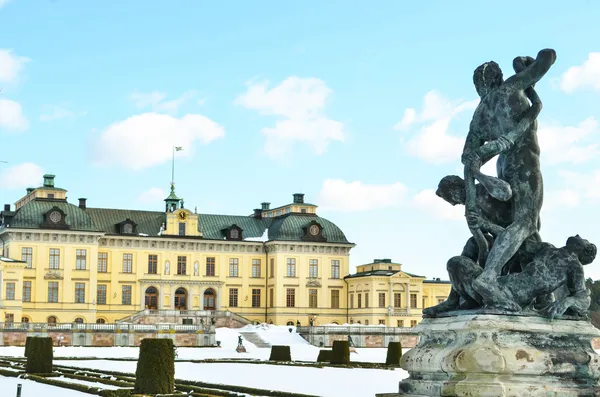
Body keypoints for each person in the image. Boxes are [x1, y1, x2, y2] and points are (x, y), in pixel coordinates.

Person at [462, 49, 557, 310]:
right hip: (525, 163)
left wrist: (471, 199)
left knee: (530, 229)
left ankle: (542, 294)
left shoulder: (480, 115)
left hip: (503, 168)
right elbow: (548, 57)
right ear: (498, 77)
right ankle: (490, 276)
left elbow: (468, 159)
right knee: (526, 223)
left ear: (479, 86)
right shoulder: (510, 88)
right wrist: (523, 66)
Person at [439, 235, 596, 319]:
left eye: (584, 240)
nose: (578, 235)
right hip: (499, 284)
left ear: (584, 251)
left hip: (514, 297)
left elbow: (583, 297)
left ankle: (499, 302)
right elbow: (516, 240)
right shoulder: (547, 248)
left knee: (474, 279)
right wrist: (483, 224)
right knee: (455, 263)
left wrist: (566, 301)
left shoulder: (574, 267)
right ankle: (460, 300)